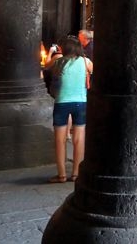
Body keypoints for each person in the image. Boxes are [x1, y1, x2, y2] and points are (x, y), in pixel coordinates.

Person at [47, 35, 93, 183]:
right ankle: (76, 173)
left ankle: (61, 175)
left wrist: (51, 52)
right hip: (81, 102)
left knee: (59, 140)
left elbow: (46, 65)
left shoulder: (58, 60)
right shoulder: (86, 62)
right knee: (79, 139)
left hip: (62, 103)